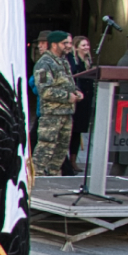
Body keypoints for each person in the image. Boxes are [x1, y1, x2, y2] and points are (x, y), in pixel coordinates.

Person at [32, 31, 81, 177]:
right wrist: (67, 96)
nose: (69, 46)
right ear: (54, 45)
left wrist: (77, 91)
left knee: (61, 149)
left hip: (66, 113)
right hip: (52, 114)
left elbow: (67, 83)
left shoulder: (63, 61)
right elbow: (44, 90)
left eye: (70, 43)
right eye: (65, 43)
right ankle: (35, 177)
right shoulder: (44, 63)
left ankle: (53, 176)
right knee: (45, 148)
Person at [69, 36, 98, 173]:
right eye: (83, 45)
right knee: (72, 130)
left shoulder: (88, 62)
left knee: (78, 131)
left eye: (87, 45)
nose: (86, 47)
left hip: (86, 100)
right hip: (77, 99)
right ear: (76, 47)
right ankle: (68, 161)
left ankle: (73, 160)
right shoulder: (73, 62)